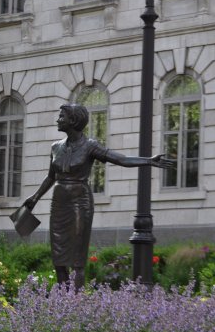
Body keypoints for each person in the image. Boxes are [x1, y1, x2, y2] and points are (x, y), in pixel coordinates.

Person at [23, 104, 175, 290]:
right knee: (59, 257)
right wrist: (35, 197)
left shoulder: (90, 146)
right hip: (59, 203)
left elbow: (120, 159)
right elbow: (51, 177)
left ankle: (75, 300)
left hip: (80, 202)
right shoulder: (55, 147)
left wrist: (148, 161)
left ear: (73, 120)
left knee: (77, 258)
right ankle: (62, 300)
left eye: (62, 116)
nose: (58, 120)